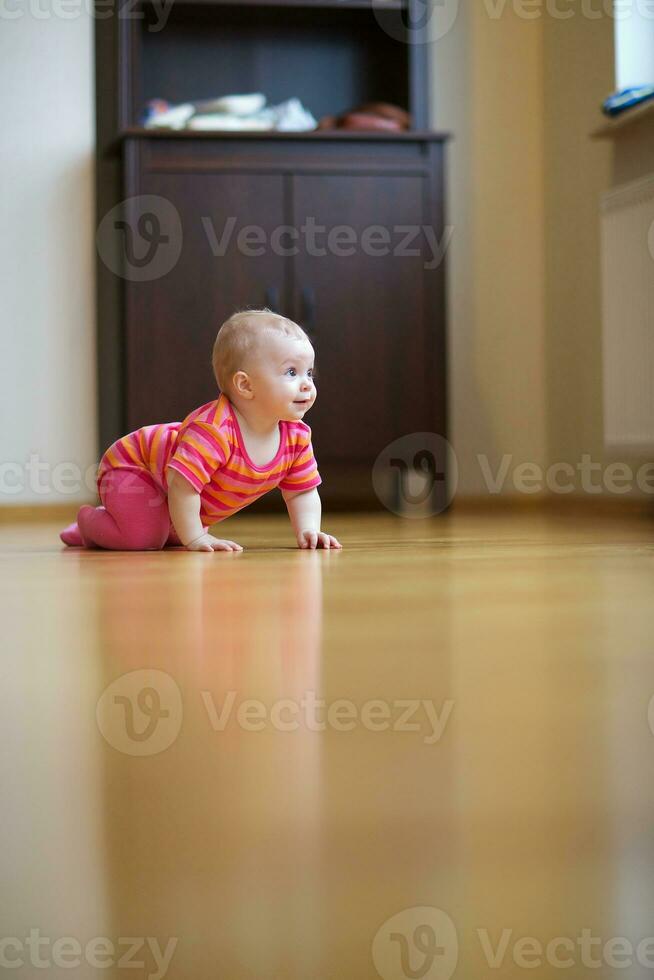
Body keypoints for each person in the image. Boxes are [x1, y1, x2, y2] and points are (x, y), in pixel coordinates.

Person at [59, 309, 342, 552]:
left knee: (168, 532)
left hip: (176, 491)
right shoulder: (214, 431)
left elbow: (301, 492)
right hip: (134, 467)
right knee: (144, 538)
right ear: (245, 385)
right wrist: (196, 537)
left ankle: (128, 522)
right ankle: (90, 523)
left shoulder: (296, 437)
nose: (307, 384)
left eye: (309, 373)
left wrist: (308, 530)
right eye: (291, 372)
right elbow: (183, 485)